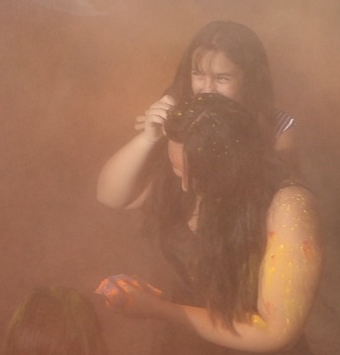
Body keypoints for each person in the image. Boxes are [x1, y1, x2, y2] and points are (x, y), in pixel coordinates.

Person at [96, 93, 334, 355]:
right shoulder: (187, 178)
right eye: (177, 169)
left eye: (194, 173)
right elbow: (110, 195)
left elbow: (276, 331)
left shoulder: (288, 204)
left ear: (232, 162)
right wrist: (149, 137)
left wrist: (162, 309)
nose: (186, 185)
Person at [98, 20, 298, 213]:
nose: (207, 89)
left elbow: (278, 203)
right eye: (198, 74)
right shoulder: (182, 121)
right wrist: (148, 138)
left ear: (248, 80)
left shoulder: (277, 126)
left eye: (222, 78)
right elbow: (111, 197)